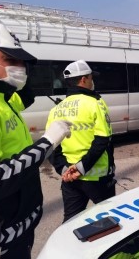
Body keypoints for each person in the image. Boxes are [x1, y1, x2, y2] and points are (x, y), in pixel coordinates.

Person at [0, 22, 72, 259]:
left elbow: (24, 97)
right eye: (10, 60)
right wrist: (47, 143)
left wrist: (25, 70)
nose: (20, 68)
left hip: (15, 233)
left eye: (22, 62)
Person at [46, 60, 116, 223]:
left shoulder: (56, 109)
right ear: (84, 79)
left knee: (70, 221)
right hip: (97, 178)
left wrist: (64, 169)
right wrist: (81, 168)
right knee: (109, 220)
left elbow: (51, 145)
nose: (93, 81)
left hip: (69, 179)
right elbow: (103, 140)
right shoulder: (96, 103)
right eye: (91, 77)